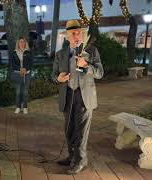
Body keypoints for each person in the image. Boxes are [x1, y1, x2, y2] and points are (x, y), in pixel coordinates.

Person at [52, 20, 104, 174]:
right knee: (69, 130)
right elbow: (53, 74)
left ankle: (81, 160)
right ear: (67, 36)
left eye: (79, 32)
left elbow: (100, 73)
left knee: (81, 131)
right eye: (73, 33)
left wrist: (85, 66)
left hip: (84, 97)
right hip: (67, 95)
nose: (77, 35)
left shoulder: (92, 51)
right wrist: (58, 78)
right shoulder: (60, 54)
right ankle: (72, 156)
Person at [11, 37, 33, 114]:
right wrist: (20, 69)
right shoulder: (14, 52)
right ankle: (18, 107)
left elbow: (31, 63)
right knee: (18, 91)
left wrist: (25, 69)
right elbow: (13, 64)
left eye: (23, 42)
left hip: (27, 73)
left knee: (25, 91)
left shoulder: (28, 52)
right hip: (17, 73)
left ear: (25, 43)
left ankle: (25, 107)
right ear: (18, 43)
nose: (22, 43)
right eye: (20, 42)